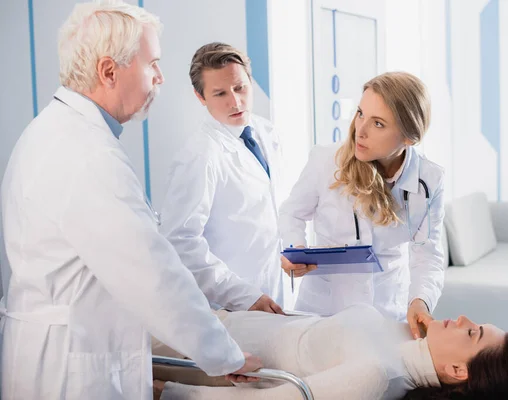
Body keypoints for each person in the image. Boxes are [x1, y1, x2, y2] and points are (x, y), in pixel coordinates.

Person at [0, 3, 260, 399]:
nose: (160, 77)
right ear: (109, 72)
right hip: (72, 370)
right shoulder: (85, 153)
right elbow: (152, 273)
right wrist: (225, 356)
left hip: (54, 353)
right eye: (152, 63)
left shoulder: (52, 131)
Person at [279, 71, 445, 338]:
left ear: (408, 138)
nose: (361, 130)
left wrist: (420, 300)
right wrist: (294, 248)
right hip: (324, 309)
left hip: (386, 311)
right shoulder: (326, 160)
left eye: (378, 124)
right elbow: (291, 213)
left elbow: (428, 255)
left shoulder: (429, 181)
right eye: (360, 114)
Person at [153, 304, 508, 400]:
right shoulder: (406, 340)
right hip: (208, 318)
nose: (462, 318)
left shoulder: (377, 376)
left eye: (473, 332)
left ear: (459, 370)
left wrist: (161, 389)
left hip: (181, 349)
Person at [159, 42, 283, 314]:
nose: (235, 102)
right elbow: (180, 241)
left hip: (270, 294)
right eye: (220, 94)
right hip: (229, 308)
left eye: (240, 88)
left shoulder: (264, 132)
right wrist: (242, 296)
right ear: (200, 97)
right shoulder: (200, 155)